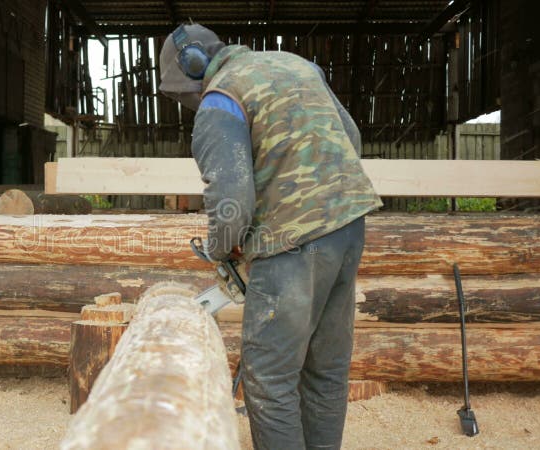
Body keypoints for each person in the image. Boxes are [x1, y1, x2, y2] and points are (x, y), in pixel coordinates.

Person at [159, 24, 383, 449]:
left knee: (269, 379)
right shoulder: (299, 66)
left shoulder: (221, 98)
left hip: (293, 244)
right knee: (325, 371)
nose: (187, 102)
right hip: (350, 226)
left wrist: (222, 251)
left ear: (193, 66)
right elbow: (350, 137)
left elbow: (231, 199)